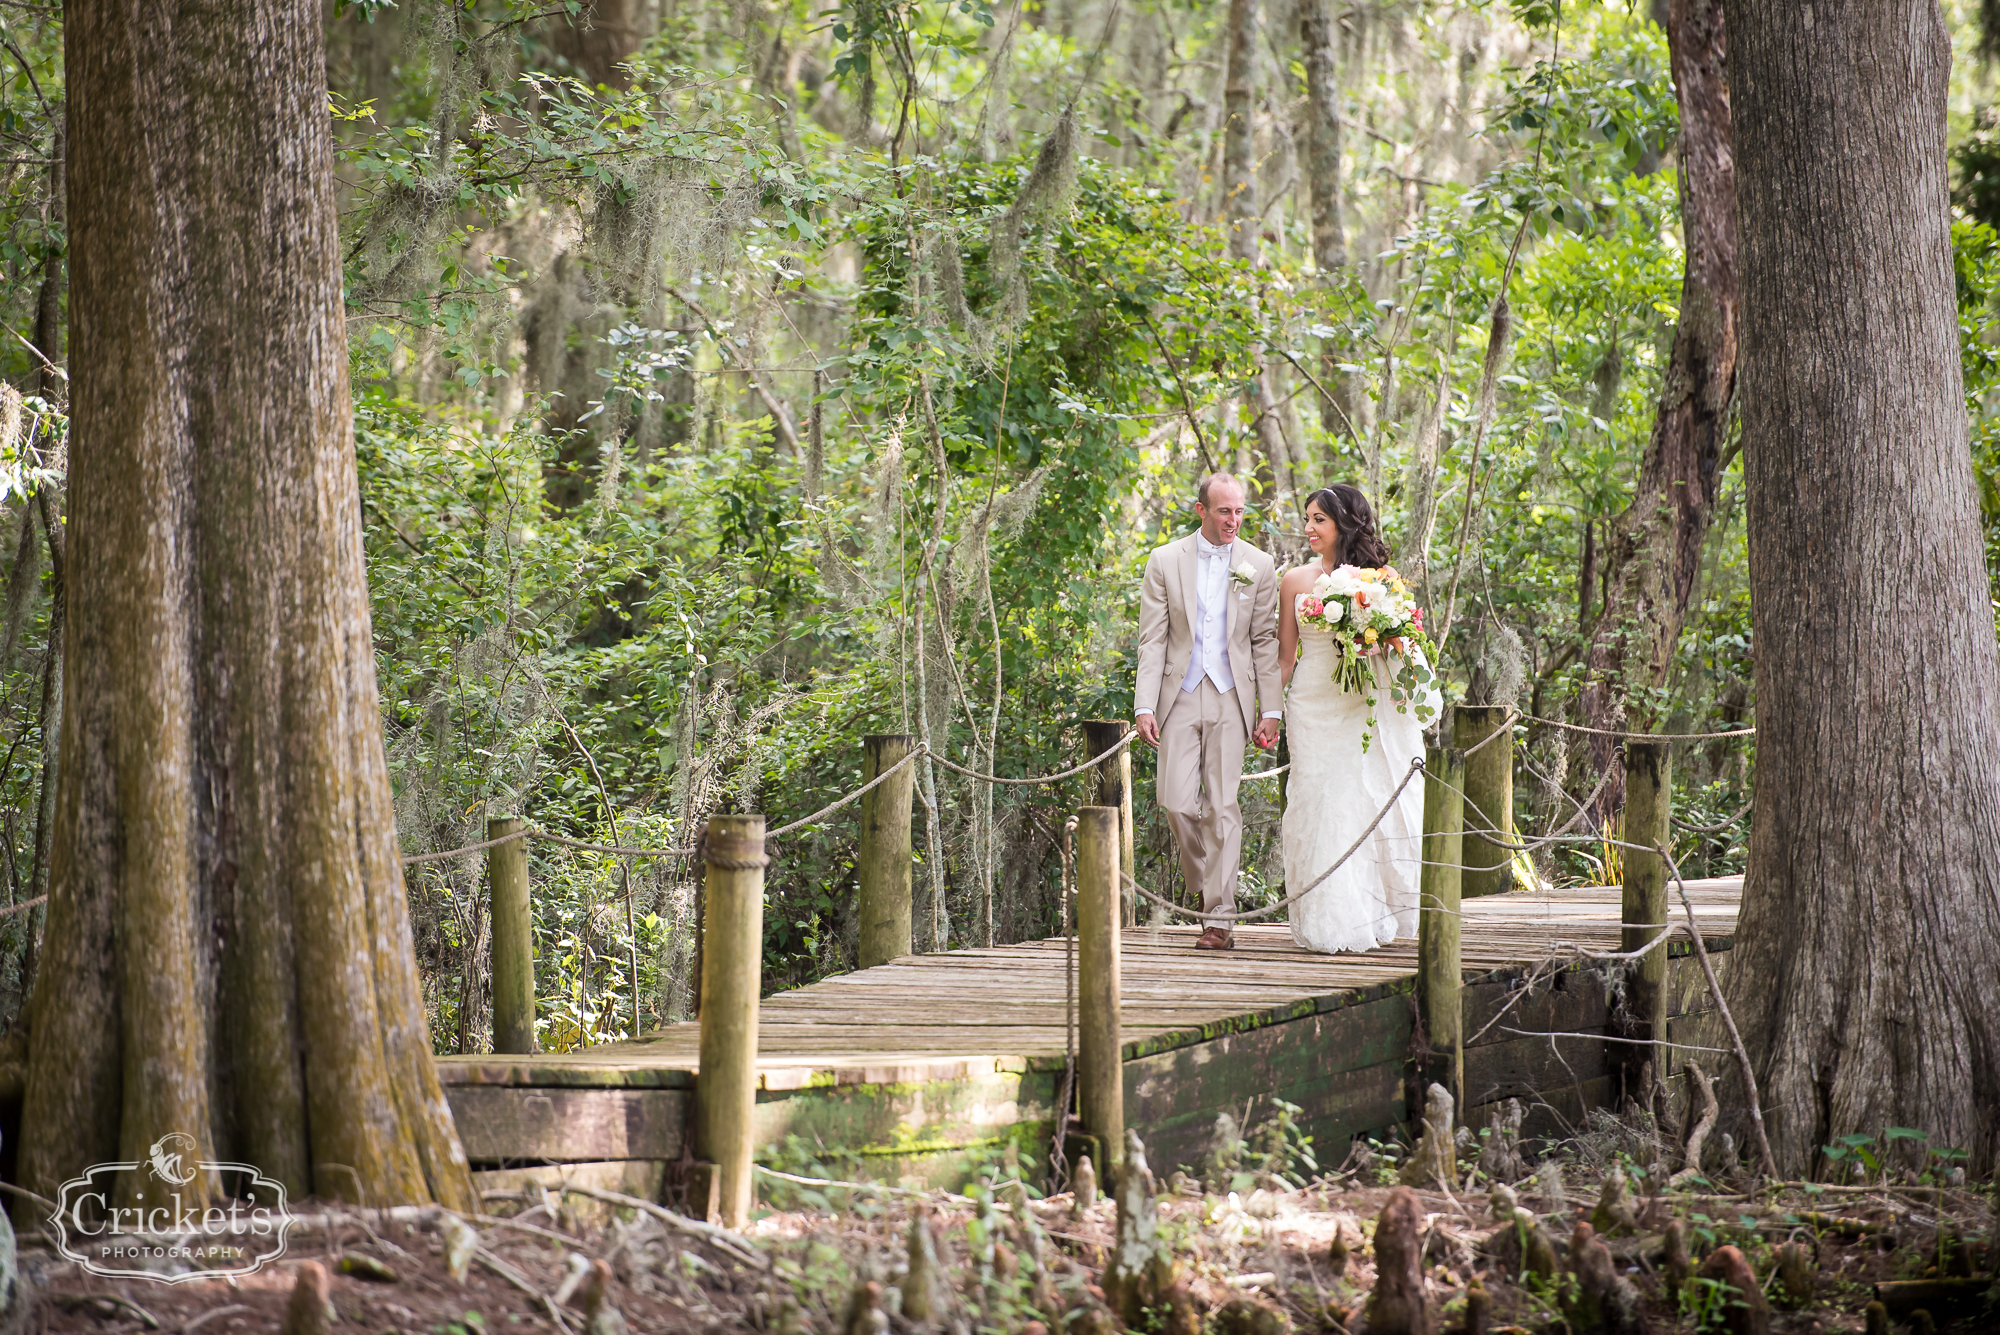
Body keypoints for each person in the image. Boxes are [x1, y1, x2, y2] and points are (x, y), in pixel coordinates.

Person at [1275, 484, 1434, 953]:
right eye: (1307, 519)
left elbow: (1402, 645)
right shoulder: (1294, 582)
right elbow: (1285, 659)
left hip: (1361, 703)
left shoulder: (1382, 580)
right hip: (1311, 703)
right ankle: (1327, 919)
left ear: (1344, 522)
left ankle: (1367, 913)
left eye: (1318, 520)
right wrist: (1265, 711)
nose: (1308, 528)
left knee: (1361, 799)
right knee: (1319, 800)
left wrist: (1377, 637)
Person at [1134, 473, 1283, 950]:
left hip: (1230, 696)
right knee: (1176, 801)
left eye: (1240, 512)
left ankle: (1219, 917)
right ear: (1201, 510)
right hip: (1178, 694)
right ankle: (1203, 879)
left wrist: (1271, 710)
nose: (1233, 521)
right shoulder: (1164, 560)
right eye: (1224, 512)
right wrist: (1143, 704)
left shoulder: (1259, 564)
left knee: (1222, 805)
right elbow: (1153, 639)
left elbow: (1263, 641)